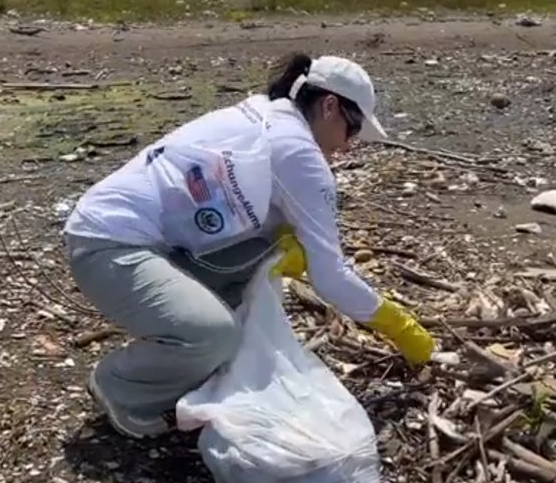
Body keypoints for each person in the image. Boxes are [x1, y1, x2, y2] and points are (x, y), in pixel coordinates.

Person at [64, 52, 434, 438]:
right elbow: (330, 276)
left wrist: (285, 246)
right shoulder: (300, 154)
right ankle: (121, 387)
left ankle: (185, 354)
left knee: (270, 249)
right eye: (353, 129)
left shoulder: (261, 114)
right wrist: (399, 326)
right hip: (108, 245)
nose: (348, 146)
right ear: (330, 107)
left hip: (121, 234)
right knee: (213, 334)